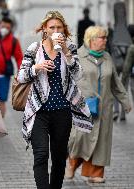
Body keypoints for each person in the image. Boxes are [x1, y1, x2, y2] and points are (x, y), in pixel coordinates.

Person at [17, 11, 93, 189]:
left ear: (64, 30)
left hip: (62, 111)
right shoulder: (34, 49)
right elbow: (21, 76)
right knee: (41, 155)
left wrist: (66, 52)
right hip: (38, 111)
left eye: (59, 27)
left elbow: (78, 75)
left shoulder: (70, 48)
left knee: (59, 158)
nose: (55, 30)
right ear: (45, 29)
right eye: (52, 27)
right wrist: (37, 67)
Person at [66, 26, 131, 183]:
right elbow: (70, 80)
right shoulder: (78, 56)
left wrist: (125, 101)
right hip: (84, 105)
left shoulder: (107, 57)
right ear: (91, 40)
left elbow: (115, 82)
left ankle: (95, 173)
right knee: (80, 137)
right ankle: (71, 164)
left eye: (105, 38)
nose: (105, 40)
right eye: (102, 38)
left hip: (105, 108)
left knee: (101, 140)